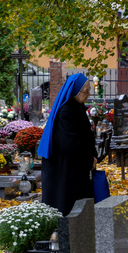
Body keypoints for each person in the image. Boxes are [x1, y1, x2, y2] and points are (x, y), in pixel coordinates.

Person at [37, 73, 97, 215]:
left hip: (73, 166)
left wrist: (92, 156)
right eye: (86, 91)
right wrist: (89, 159)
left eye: (89, 90)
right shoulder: (67, 111)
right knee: (65, 206)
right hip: (64, 168)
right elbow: (70, 143)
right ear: (75, 91)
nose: (88, 94)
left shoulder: (77, 107)